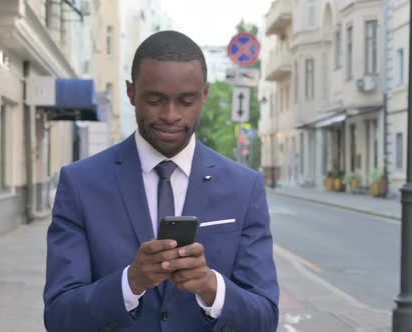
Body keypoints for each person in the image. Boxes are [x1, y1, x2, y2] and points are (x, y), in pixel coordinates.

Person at [43, 30, 279, 332]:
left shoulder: (244, 187)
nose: (170, 115)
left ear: (204, 95)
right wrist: (131, 282)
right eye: (155, 100)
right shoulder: (80, 184)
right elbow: (59, 317)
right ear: (131, 93)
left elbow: (264, 319)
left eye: (186, 101)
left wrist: (211, 287)